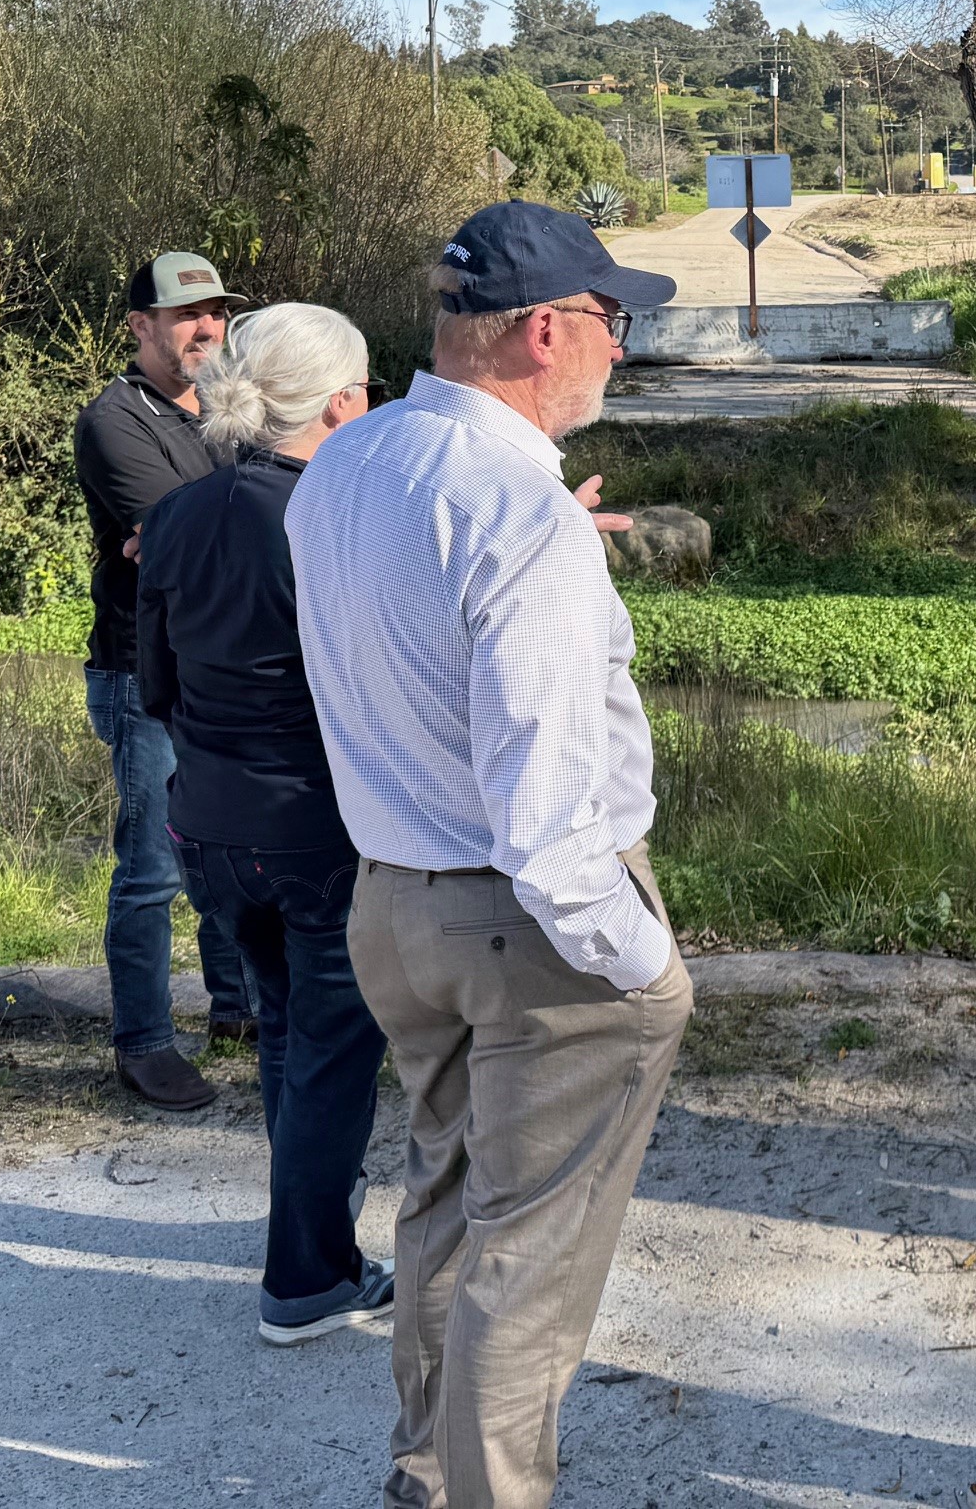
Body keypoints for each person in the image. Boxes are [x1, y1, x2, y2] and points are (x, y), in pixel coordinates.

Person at [288, 200, 686, 1509]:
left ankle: (428, 1469)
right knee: (533, 1250)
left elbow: (412, 634)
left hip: (394, 903)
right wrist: (643, 964)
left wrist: (552, 532)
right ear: (543, 331)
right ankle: (490, 1492)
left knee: (449, 1197)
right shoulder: (522, 517)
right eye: (611, 324)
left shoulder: (347, 463)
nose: (619, 353)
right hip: (527, 919)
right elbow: (550, 811)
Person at [137, 301, 395, 1346]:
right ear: (340, 403)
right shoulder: (337, 516)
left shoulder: (181, 513)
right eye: (369, 389)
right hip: (316, 829)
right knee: (332, 1051)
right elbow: (380, 694)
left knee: (289, 1034)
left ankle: (317, 1250)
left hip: (207, 822)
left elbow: (156, 684)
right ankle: (303, 1280)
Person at [73, 250, 257, 1110]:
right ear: (141, 325)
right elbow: (199, 529)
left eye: (215, 312)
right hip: (141, 674)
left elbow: (229, 523)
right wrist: (214, 530)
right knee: (150, 868)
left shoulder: (229, 409)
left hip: (214, 661)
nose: (206, 328)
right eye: (186, 315)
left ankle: (237, 1010)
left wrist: (197, 535)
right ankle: (143, 1041)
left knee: (224, 845)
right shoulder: (115, 421)